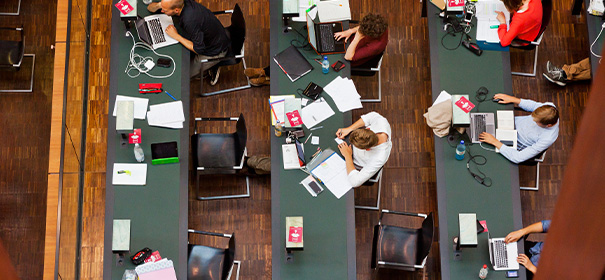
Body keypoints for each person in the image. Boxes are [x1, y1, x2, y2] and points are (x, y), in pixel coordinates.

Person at [147, 0, 230, 85]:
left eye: (165, 10)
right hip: (205, 37)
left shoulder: (190, 20)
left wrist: (176, 36)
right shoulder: (181, 3)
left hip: (214, 50)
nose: (162, 11)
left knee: (183, 76)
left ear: (176, 10)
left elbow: (198, 49)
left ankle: (211, 67)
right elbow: (150, 8)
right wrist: (161, 5)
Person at [479, 94, 559, 164]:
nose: (533, 121)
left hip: (510, 143)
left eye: (536, 122)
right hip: (508, 122)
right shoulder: (550, 108)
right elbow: (533, 105)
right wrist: (513, 99)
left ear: (548, 125)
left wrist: (494, 141)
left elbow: (518, 157)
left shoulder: (548, 138)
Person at [335, 112, 392, 187]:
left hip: (354, 163)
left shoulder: (379, 158)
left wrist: (347, 156)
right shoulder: (381, 122)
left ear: (367, 149)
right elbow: (370, 116)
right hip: (348, 151)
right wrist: (349, 129)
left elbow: (355, 182)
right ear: (368, 129)